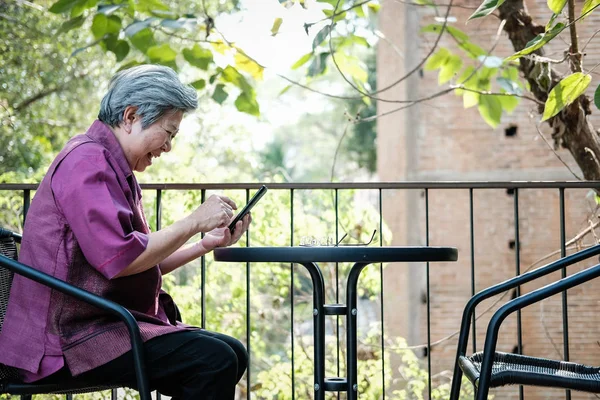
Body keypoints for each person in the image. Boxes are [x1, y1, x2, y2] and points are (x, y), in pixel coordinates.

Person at [0, 65, 250, 399]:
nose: (168, 147)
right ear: (131, 116)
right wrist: (192, 221)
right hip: (63, 341)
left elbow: (136, 259)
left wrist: (204, 243)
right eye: (169, 132)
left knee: (231, 353)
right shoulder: (86, 162)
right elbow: (120, 260)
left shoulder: (110, 164)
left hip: (98, 324)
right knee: (213, 360)